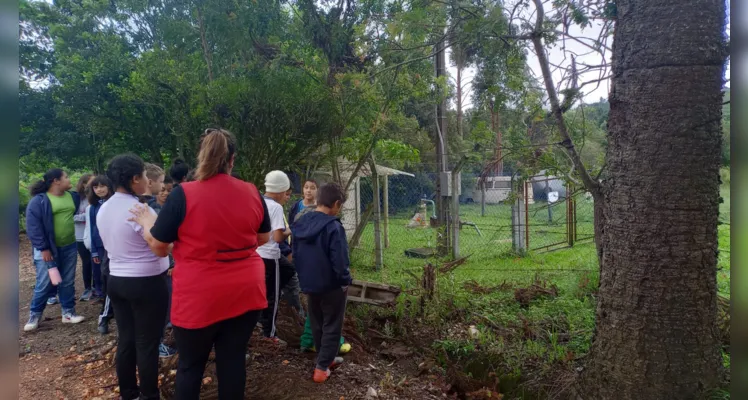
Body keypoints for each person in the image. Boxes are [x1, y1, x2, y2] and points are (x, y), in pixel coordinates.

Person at [129, 128, 271, 400]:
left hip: (200, 296)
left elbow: (159, 247)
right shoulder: (252, 191)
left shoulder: (184, 194)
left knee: (191, 366)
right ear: (232, 160)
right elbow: (263, 237)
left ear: (201, 156)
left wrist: (148, 222)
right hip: (245, 291)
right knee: (233, 361)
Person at [97, 154, 170, 400]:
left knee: (126, 339)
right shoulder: (141, 209)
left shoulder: (104, 207)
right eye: (146, 177)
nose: (149, 181)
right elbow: (160, 247)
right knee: (147, 342)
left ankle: (128, 392)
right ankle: (150, 395)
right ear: (135, 178)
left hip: (116, 280)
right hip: (146, 283)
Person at [291, 182, 353, 383]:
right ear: (336, 204)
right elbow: (340, 260)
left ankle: (323, 358)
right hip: (332, 285)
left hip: (309, 283)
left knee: (316, 321)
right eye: (339, 206)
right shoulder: (333, 227)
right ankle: (322, 368)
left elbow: (296, 254)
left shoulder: (301, 222)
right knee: (332, 324)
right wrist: (345, 280)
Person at [24, 168, 85, 332]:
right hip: (47, 249)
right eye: (65, 177)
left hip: (69, 246)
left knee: (67, 281)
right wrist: (43, 248)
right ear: (56, 181)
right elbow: (33, 227)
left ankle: (68, 313)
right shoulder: (40, 201)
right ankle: (34, 315)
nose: (69, 179)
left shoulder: (72, 196)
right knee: (44, 283)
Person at [256, 170, 296, 345]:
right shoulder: (276, 207)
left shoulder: (257, 201)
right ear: (280, 191)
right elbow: (279, 237)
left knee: (285, 271)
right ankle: (269, 334)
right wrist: (291, 229)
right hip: (270, 255)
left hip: (255, 254)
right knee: (273, 296)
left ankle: (258, 320)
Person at [82, 175, 114, 334]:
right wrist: (94, 249)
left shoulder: (115, 202)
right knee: (105, 276)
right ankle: (105, 314)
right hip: (101, 246)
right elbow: (92, 229)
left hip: (116, 244)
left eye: (103, 186)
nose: (100, 189)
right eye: (96, 187)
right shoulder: (93, 207)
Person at [74, 173, 97, 301]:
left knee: (96, 261)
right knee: (87, 262)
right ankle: (88, 288)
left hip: (94, 234)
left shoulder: (97, 197)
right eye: (92, 182)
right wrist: (88, 215)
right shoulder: (77, 198)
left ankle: (97, 287)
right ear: (83, 184)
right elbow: (71, 216)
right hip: (80, 235)